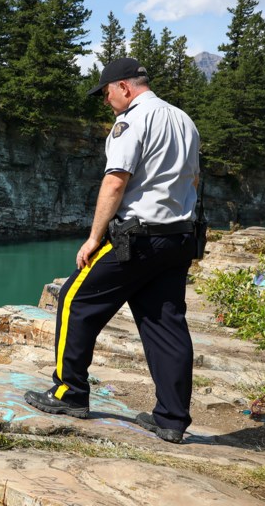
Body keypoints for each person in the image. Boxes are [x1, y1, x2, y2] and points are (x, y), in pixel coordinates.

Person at [23, 57, 200, 444]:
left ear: (123, 86)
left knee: (74, 299)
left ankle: (69, 393)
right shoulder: (184, 120)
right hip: (179, 238)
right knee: (165, 323)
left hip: (137, 238)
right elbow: (193, 180)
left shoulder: (132, 121)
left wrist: (93, 237)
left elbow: (116, 182)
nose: (106, 100)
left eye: (105, 92)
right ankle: (171, 419)